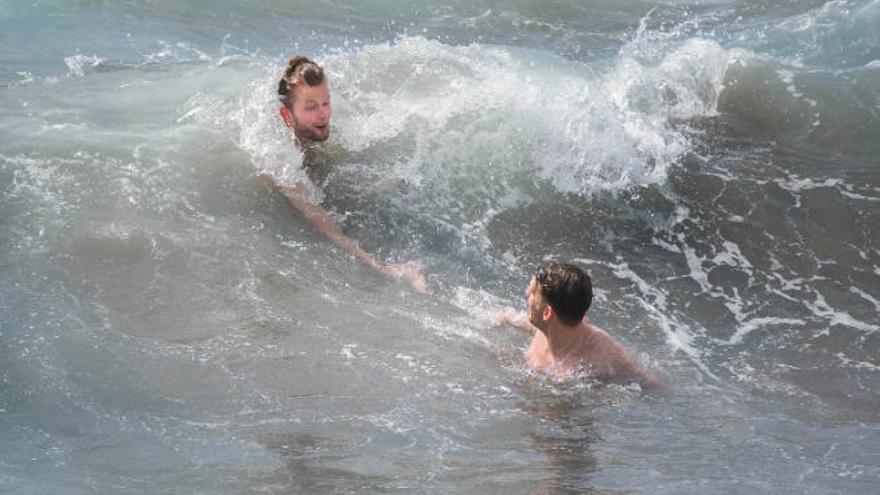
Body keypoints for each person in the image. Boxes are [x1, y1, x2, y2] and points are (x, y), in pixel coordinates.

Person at [271, 56, 426, 293]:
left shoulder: (315, 136)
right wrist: (378, 265)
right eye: (311, 107)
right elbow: (318, 218)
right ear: (287, 116)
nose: (323, 115)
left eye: (326, 103)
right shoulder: (280, 159)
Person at [493, 260, 664, 390]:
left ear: (547, 313)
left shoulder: (602, 358)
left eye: (532, 292)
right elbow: (530, 323)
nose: (526, 294)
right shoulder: (550, 325)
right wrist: (503, 318)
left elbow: (652, 385)